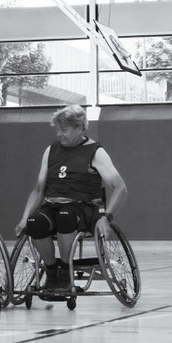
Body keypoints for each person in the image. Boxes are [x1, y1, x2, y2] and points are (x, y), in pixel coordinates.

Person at [14, 104, 127, 292]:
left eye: (64, 130)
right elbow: (39, 189)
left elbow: (120, 188)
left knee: (65, 217)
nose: (59, 134)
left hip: (84, 206)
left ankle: (66, 272)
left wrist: (106, 218)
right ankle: (52, 271)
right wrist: (25, 217)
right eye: (57, 129)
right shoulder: (51, 151)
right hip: (53, 204)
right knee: (35, 222)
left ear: (80, 127)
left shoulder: (96, 152)